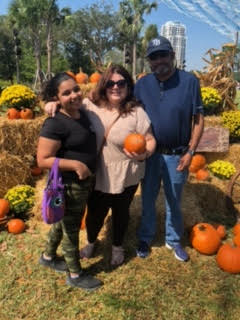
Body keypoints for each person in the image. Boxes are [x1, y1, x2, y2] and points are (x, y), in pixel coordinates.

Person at [45, 64, 156, 267]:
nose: (116, 87)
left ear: (128, 86)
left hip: (127, 172)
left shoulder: (137, 111)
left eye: (121, 83)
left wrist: (145, 154)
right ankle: (90, 241)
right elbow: (69, 105)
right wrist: (54, 106)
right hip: (97, 172)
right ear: (104, 85)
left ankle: (117, 246)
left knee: (121, 212)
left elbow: (149, 139)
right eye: (111, 83)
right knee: (95, 212)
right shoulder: (89, 104)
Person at [134, 36, 204, 261]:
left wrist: (190, 151)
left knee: (174, 200)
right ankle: (145, 237)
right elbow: (126, 110)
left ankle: (173, 240)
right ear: (149, 61)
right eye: (154, 57)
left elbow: (199, 119)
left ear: (173, 56)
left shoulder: (189, 81)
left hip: (178, 155)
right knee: (147, 198)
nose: (159, 61)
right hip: (150, 155)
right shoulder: (142, 84)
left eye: (163, 55)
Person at [37, 72, 103, 290]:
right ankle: (75, 274)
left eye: (75, 89)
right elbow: (43, 159)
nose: (74, 95)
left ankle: (47, 257)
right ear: (56, 98)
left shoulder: (81, 112)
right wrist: (75, 165)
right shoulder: (54, 123)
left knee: (62, 222)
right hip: (68, 185)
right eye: (66, 93)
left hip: (83, 183)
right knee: (71, 228)